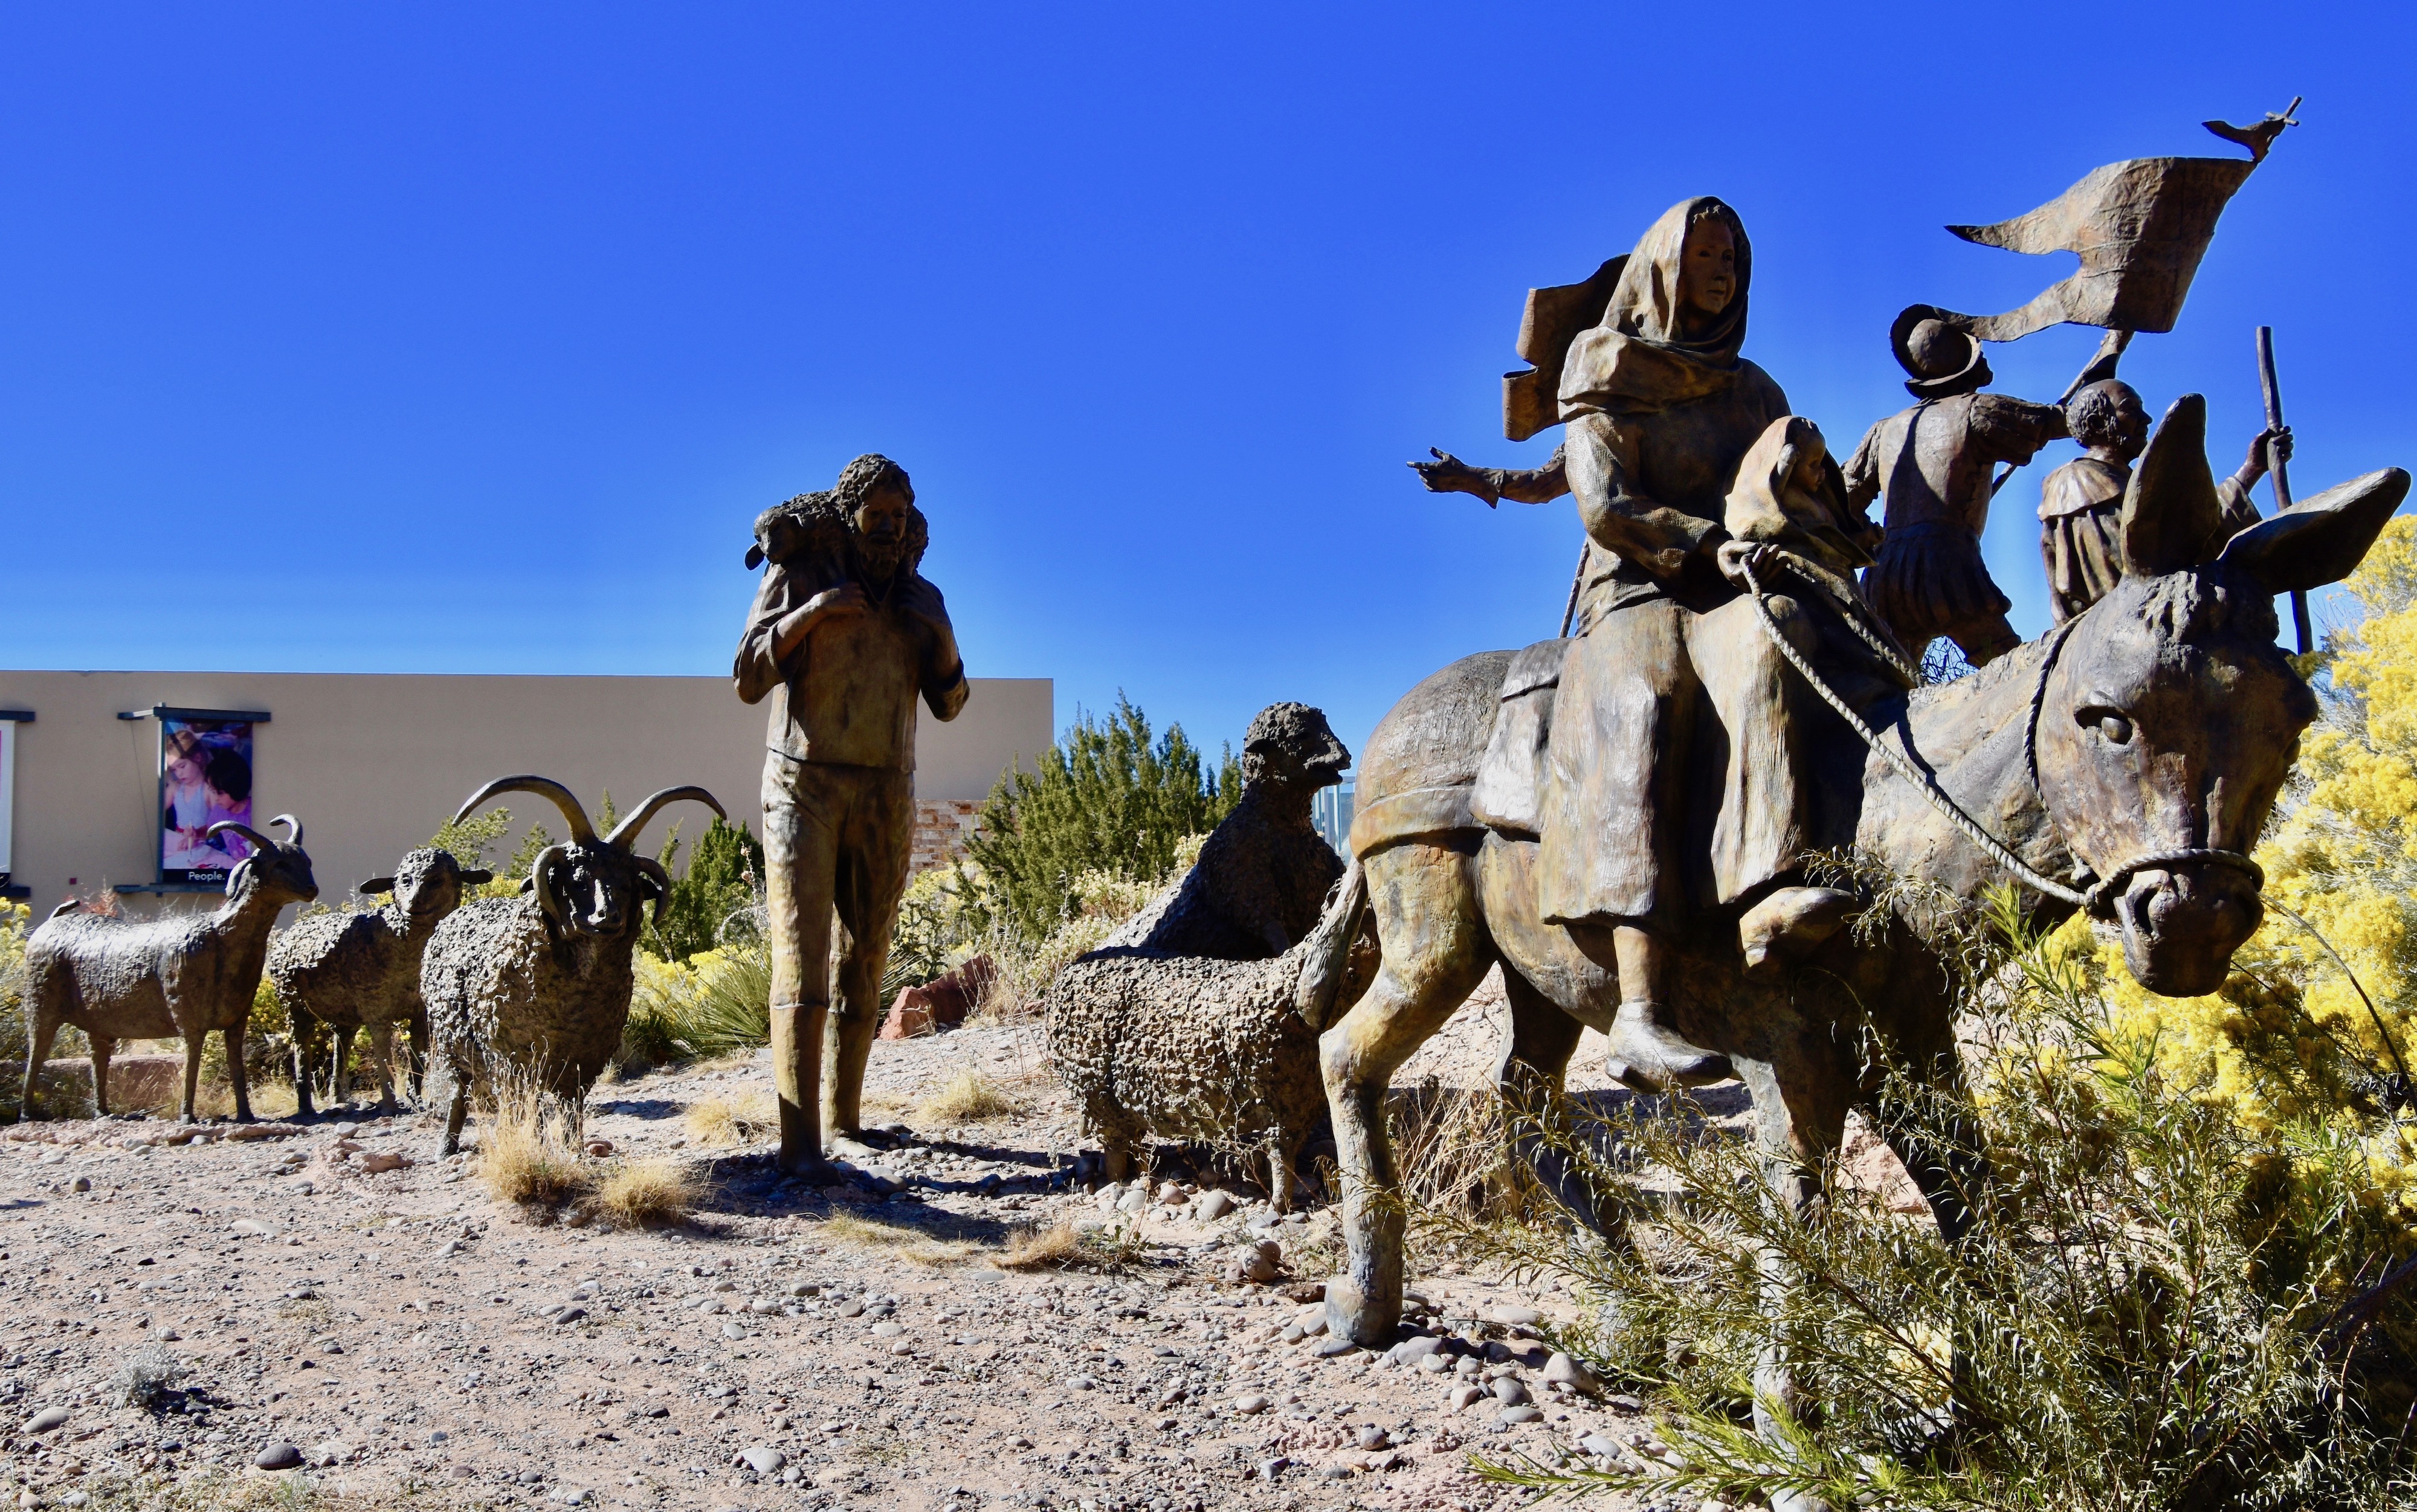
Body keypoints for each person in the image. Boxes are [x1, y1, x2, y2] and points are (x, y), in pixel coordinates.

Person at [1415, 198, 1897, 1089]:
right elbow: (1601, 501)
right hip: (1638, 584)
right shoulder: (1604, 364)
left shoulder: (1757, 391)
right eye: (1706, 254)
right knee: (1650, 694)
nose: (1722, 272)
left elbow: (1778, 483)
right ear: (1664, 265)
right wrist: (1705, 539)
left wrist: (1833, 521)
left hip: (1747, 587)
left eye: (1734, 259)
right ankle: (1640, 1005)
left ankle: (1776, 890)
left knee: (1804, 643)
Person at [733, 454, 968, 1179]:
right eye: (877, 516)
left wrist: (945, 636)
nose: (890, 529)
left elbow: (951, 702)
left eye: (899, 517)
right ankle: (798, 1144)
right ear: (850, 516)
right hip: (804, 785)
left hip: (885, 789)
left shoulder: (921, 596)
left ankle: (845, 1122)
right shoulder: (802, 574)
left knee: (865, 957)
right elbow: (746, 677)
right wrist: (813, 613)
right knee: (802, 960)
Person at [1847, 318, 2067, 665]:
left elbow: (1846, 497)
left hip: (1884, 574)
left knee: (1887, 685)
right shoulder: (1978, 411)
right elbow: (2061, 422)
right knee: (2008, 668)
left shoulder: (1884, 431)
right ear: (1968, 360)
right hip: (1948, 566)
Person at [2039, 379, 2289, 620]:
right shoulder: (2081, 483)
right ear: (2096, 423)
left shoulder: (2128, 481)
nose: (2147, 419)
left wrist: (2251, 469)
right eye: (2130, 409)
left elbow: (2187, 537)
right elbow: (2153, 567)